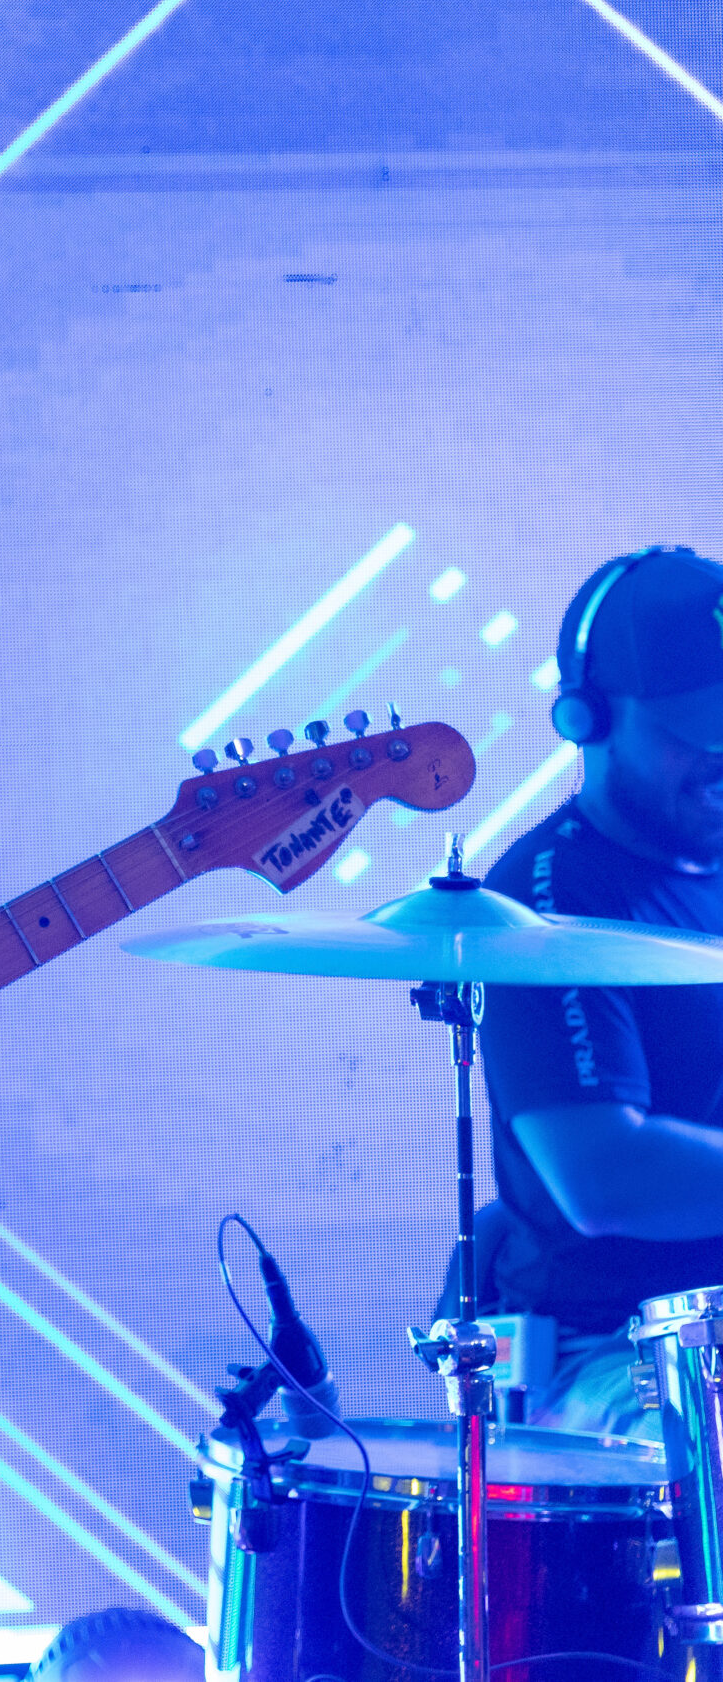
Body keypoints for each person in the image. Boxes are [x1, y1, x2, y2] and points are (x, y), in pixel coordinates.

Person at [479, 546, 723, 1437]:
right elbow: (604, 1176)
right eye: (697, 730)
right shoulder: (545, 903)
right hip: (615, 1350)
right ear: (587, 717)